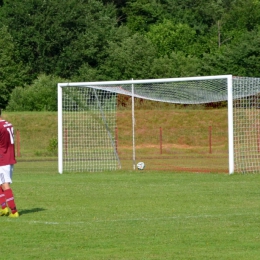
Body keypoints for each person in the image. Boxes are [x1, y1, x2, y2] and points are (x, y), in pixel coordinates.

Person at [0, 108, 19, 217]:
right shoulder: (8, 124)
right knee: (1, 183)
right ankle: (3, 208)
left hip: (2, 159)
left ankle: (14, 211)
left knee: (5, 184)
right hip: (9, 156)